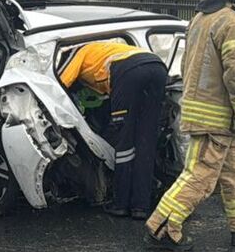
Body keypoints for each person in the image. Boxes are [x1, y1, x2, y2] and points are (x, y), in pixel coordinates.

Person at [144, 0, 235, 251]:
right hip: (217, 116)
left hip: (202, 110)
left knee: (233, 172)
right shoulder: (233, 22)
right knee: (200, 177)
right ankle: (161, 227)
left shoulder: (201, 18)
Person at [58, 42, 168, 219]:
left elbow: (60, 83)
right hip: (157, 67)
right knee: (145, 142)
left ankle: (121, 204)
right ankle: (141, 206)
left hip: (128, 72)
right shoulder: (107, 48)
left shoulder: (78, 51)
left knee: (124, 142)